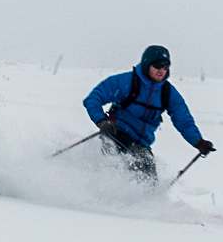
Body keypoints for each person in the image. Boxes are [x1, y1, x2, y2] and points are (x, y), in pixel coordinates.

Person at [83, 45, 214, 183]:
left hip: (142, 143)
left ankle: (143, 202)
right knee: (123, 166)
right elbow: (93, 98)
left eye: (165, 66)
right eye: (157, 65)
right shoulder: (126, 82)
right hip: (117, 133)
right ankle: (100, 192)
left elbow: (183, 120)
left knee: (148, 178)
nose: (161, 70)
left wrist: (197, 141)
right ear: (147, 64)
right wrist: (101, 121)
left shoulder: (168, 93)